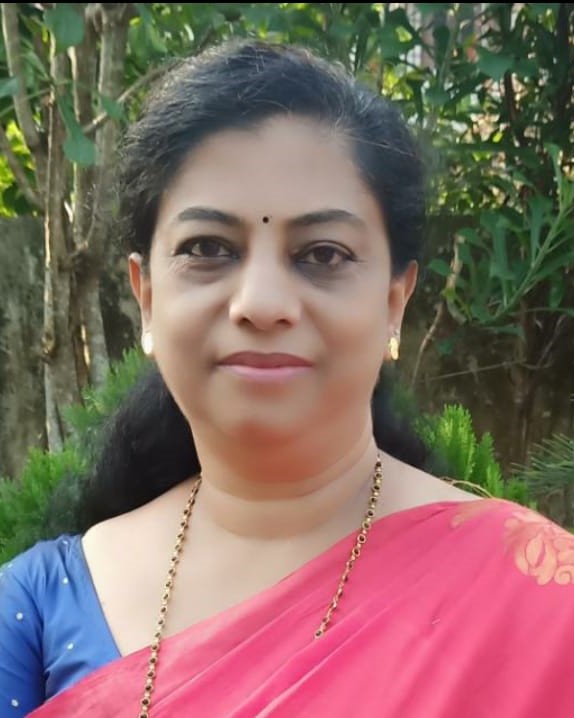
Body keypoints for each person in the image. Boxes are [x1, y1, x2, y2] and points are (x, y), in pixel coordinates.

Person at [1, 39, 573, 718]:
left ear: (395, 302)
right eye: (208, 248)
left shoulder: (536, 602)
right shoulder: (38, 608)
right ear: (146, 297)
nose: (262, 303)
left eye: (323, 254)